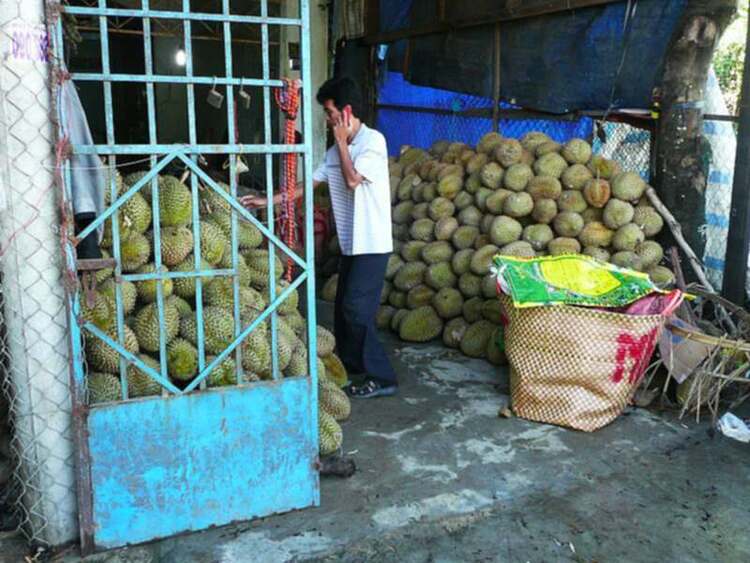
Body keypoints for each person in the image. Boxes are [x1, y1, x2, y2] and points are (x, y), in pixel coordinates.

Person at [240, 76, 397, 398]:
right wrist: (267, 200)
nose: (327, 120)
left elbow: (353, 181)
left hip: (373, 244)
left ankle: (382, 377)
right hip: (353, 244)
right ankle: (354, 370)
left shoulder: (373, 142)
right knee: (342, 309)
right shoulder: (332, 152)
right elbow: (306, 186)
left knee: (357, 310)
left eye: (329, 113)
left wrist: (341, 142)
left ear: (346, 112)